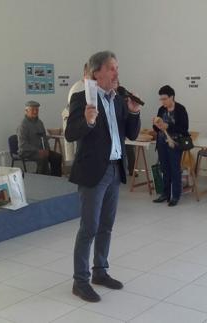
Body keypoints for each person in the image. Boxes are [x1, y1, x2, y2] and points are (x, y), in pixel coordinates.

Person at [65, 51, 141, 302]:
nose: (116, 73)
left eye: (117, 68)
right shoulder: (81, 98)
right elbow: (70, 134)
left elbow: (130, 133)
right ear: (96, 72)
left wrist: (133, 112)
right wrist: (86, 121)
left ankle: (100, 271)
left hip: (114, 168)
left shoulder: (118, 99)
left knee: (106, 225)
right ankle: (80, 281)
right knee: (89, 228)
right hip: (92, 172)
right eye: (111, 68)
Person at [152, 85, 189, 207]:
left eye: (164, 99)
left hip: (175, 143)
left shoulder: (180, 109)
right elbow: (156, 129)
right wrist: (156, 125)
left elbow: (184, 128)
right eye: (161, 99)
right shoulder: (161, 110)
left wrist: (168, 126)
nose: (162, 101)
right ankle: (165, 193)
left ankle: (176, 195)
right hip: (162, 142)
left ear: (171, 97)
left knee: (174, 169)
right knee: (164, 169)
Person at [17, 101, 62, 176]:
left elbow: (44, 138)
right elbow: (23, 145)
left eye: (37, 110)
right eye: (33, 110)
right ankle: (42, 179)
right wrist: (38, 151)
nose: (35, 112)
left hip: (40, 151)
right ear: (26, 111)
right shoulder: (23, 125)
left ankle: (56, 179)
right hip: (27, 152)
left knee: (57, 157)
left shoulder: (39, 123)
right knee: (42, 158)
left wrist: (47, 150)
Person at [62, 63, 89, 163]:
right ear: (85, 73)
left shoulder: (91, 86)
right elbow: (74, 111)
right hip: (73, 117)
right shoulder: (78, 88)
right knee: (76, 148)